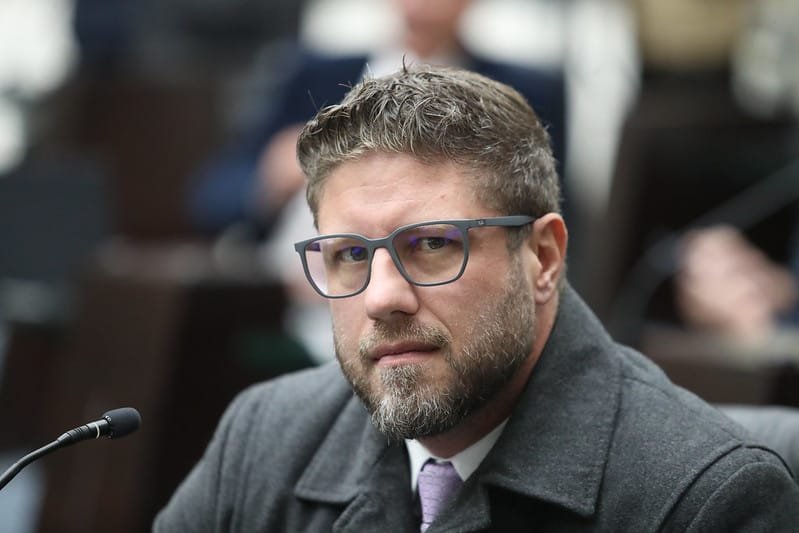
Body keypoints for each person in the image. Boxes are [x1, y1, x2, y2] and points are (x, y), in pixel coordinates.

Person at [154, 65, 799, 531]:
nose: (382, 298)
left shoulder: (708, 500)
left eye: (433, 244)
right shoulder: (263, 437)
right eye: (349, 255)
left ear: (543, 258)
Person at [187, 0, 566, 234]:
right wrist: (268, 179)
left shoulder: (527, 90)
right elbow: (213, 198)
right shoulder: (313, 76)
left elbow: (546, 206)